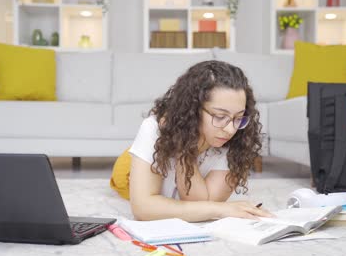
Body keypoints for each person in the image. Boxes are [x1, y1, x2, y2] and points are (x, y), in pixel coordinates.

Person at [113, 60, 273, 222]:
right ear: (193, 109)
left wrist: (184, 150)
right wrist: (222, 208)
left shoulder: (238, 142)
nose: (230, 130)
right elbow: (142, 209)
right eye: (219, 116)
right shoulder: (154, 127)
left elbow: (201, 204)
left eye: (238, 118)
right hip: (126, 169)